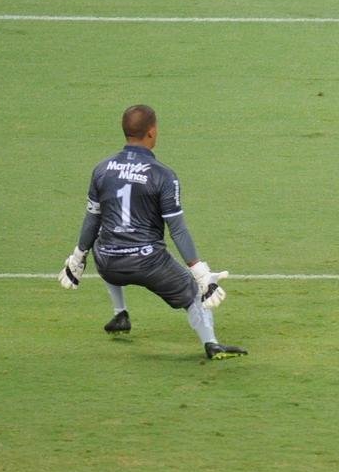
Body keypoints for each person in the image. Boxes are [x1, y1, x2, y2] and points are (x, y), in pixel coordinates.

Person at [57, 105, 246, 360]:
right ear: (152, 132)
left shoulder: (102, 169)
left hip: (108, 263)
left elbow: (93, 218)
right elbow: (177, 229)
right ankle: (211, 344)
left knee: (108, 234)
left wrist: (78, 256)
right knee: (193, 293)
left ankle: (120, 313)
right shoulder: (163, 175)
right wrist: (200, 273)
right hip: (149, 262)